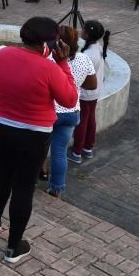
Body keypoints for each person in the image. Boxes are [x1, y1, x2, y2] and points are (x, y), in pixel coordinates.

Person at [0, 17, 77, 264]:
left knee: (2, 174)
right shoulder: (50, 69)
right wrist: (63, 64)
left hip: (2, 125)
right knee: (24, 186)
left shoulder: (2, 54)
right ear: (49, 42)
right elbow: (70, 100)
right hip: (34, 133)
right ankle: (13, 248)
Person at [45, 25, 91, 199]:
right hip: (71, 112)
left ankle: (34, 178)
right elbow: (92, 84)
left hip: (49, 112)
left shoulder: (48, 60)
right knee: (59, 152)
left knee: (38, 148)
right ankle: (57, 189)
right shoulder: (84, 59)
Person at [70, 21, 109, 163]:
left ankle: (77, 152)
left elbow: (83, 76)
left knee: (82, 122)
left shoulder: (87, 54)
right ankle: (88, 148)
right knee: (90, 119)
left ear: (87, 33)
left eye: (83, 29)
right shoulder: (97, 48)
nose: (81, 31)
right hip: (95, 93)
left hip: (86, 94)